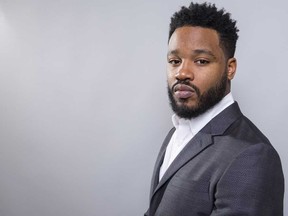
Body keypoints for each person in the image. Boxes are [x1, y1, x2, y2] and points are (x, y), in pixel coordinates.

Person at [144, 2, 284, 216]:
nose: (182, 73)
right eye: (174, 60)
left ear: (230, 68)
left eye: (201, 61)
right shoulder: (177, 131)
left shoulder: (252, 156)